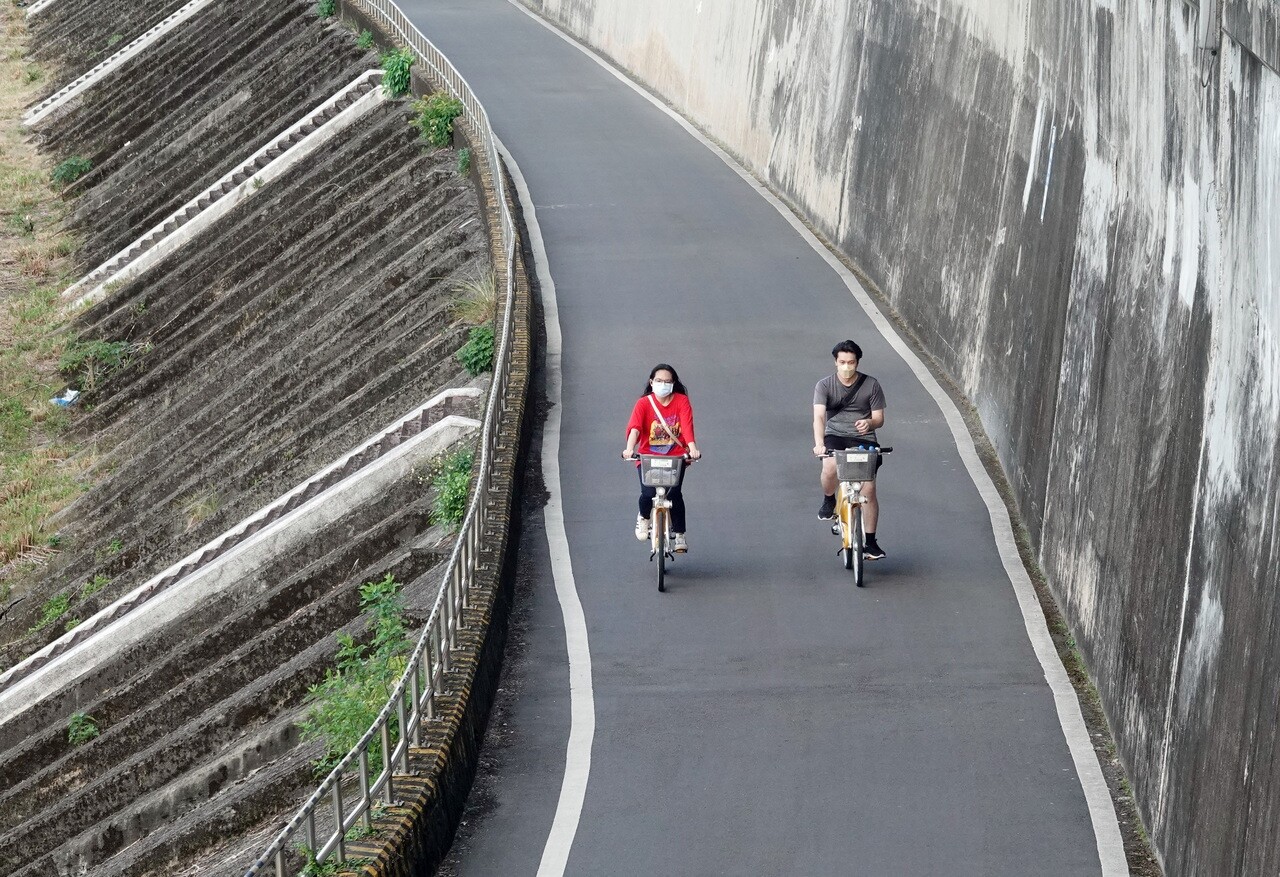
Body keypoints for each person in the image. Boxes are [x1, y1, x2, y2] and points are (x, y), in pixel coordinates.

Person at [813, 340, 888, 559]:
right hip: (835, 436)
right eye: (842, 362)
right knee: (829, 466)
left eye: (851, 362)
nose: (847, 366)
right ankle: (829, 500)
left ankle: (871, 542)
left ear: (857, 362)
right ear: (836, 362)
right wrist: (819, 443)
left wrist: (870, 424)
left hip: (864, 439)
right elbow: (818, 417)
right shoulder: (824, 386)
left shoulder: (871, 385)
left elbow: (879, 418)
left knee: (869, 490)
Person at [622, 364, 701, 552]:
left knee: (674, 495)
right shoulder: (644, 403)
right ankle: (644, 517)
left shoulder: (681, 401)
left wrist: (692, 449)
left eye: (667, 381)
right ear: (651, 382)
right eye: (659, 381)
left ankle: (680, 535)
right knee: (648, 494)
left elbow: (687, 427)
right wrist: (629, 449)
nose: (663, 384)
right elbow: (635, 428)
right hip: (648, 456)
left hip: (675, 458)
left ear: (673, 384)